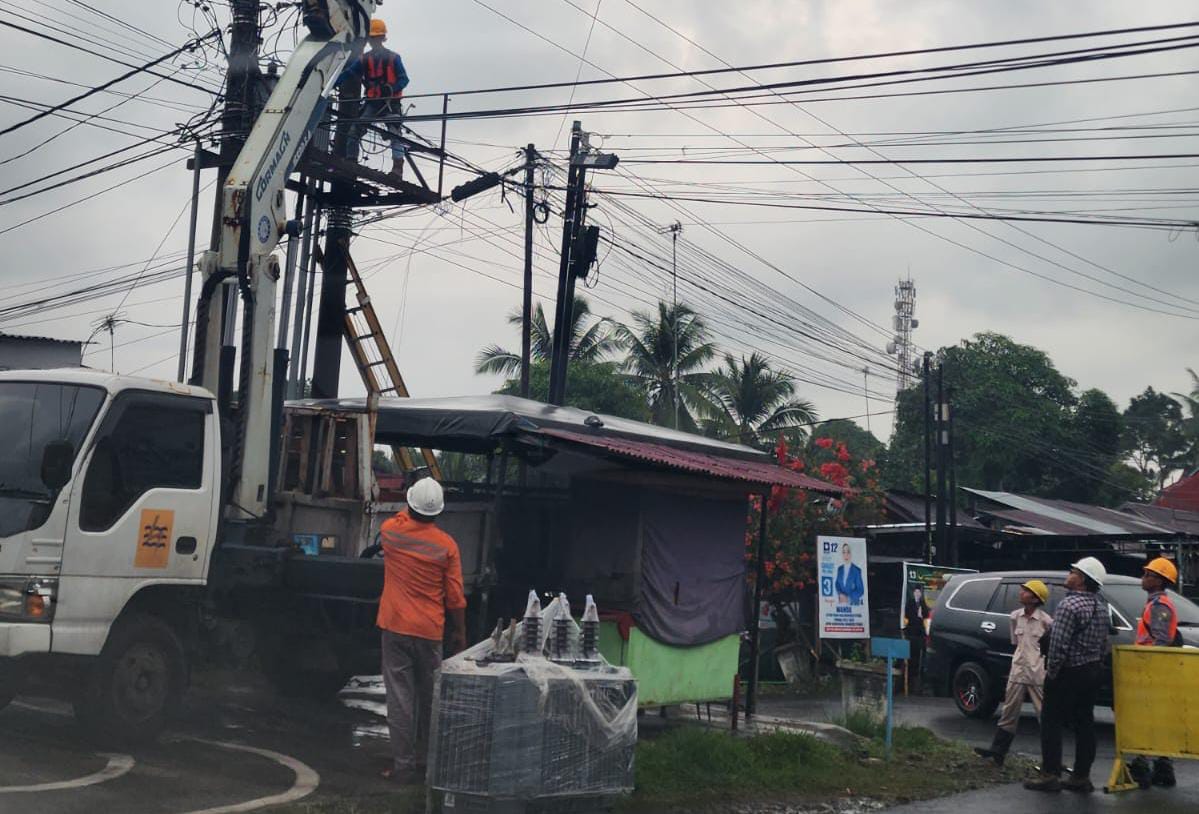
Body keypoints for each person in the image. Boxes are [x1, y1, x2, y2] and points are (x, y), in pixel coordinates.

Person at [377, 477, 467, 784]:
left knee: (400, 698)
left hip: (395, 626)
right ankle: (430, 766)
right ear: (438, 512)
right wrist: (460, 633)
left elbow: (397, 517)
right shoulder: (447, 546)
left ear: (410, 502)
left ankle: (403, 768)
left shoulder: (390, 532)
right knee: (431, 700)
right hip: (430, 631)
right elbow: (455, 597)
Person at [1025, 557, 1109, 794]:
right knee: (1085, 723)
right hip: (1091, 671)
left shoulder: (1068, 606)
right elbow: (1104, 643)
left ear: (1081, 580)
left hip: (1068, 672)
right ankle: (1081, 777)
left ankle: (1050, 774)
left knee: (1051, 721)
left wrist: (1052, 673)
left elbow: (1059, 645)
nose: (1069, 573)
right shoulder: (1101, 608)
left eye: (1073, 571)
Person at [975, 579, 1052, 767]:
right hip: (1018, 671)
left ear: (1035, 599)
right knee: (1009, 711)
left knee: (1045, 715)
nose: (1021, 593)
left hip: (1037, 673)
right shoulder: (1015, 617)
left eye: (1026, 591)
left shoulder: (1046, 621)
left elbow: (1049, 647)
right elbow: (1016, 643)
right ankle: (998, 752)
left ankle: (1050, 760)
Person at [1126, 556, 1181, 789]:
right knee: (1155, 720)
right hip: (1152, 668)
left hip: (1152, 669)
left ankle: (1142, 766)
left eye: (1148, 574)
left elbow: (1160, 640)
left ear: (1159, 581)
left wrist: (1149, 668)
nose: (1144, 577)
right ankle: (1162, 767)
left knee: (1145, 719)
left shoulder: (1159, 606)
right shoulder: (1155, 603)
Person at [340, 18, 409, 176]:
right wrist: (331, 83)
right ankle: (351, 161)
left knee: (394, 133)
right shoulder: (364, 59)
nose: (374, 41)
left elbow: (404, 79)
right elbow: (350, 73)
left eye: (376, 38)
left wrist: (391, 89)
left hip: (391, 103)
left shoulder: (393, 58)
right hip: (373, 102)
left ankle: (397, 168)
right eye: (372, 38)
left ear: (382, 38)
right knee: (355, 130)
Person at [903, 586, 931, 690]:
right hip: (911, 632)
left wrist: (921, 615)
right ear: (914, 593)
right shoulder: (910, 603)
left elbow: (926, 615)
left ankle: (918, 680)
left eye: (919, 592)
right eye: (916, 592)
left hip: (920, 633)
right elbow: (907, 615)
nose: (918, 594)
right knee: (911, 656)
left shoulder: (923, 604)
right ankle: (910, 679)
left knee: (920, 657)